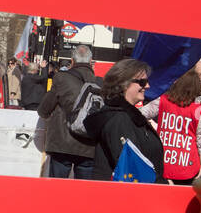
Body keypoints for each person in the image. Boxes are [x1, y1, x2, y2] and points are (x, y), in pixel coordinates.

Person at [84, 58, 164, 181]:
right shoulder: (119, 119)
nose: (147, 86)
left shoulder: (128, 116)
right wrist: (162, 185)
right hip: (124, 196)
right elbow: (132, 167)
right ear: (124, 84)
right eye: (142, 82)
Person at [38, 43, 100, 179]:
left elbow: (44, 110)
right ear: (90, 62)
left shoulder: (61, 78)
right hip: (89, 146)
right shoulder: (99, 83)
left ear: (72, 61)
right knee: (83, 195)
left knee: (57, 192)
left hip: (62, 144)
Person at [141, 65, 201, 184]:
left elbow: (141, 114)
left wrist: (152, 129)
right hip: (188, 166)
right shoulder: (199, 109)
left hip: (163, 163)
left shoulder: (163, 101)